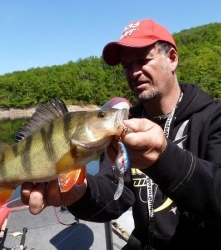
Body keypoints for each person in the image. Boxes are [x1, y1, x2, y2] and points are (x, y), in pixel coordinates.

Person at [21, 19, 221, 249]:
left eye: (143, 60)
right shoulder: (121, 126)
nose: (134, 72)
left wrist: (164, 158)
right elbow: (115, 197)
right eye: (126, 66)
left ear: (172, 58)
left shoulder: (214, 117)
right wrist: (82, 194)